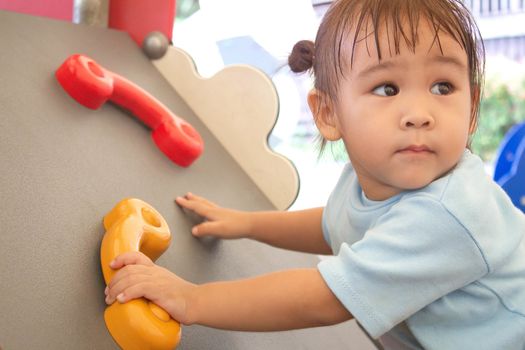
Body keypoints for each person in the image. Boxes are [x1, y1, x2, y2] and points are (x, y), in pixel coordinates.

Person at [105, 0, 525, 348]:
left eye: (443, 87)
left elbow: (322, 300)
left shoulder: (447, 214)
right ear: (328, 113)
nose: (419, 115)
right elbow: (334, 223)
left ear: (472, 111)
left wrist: (191, 299)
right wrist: (247, 223)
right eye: (387, 89)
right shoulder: (376, 179)